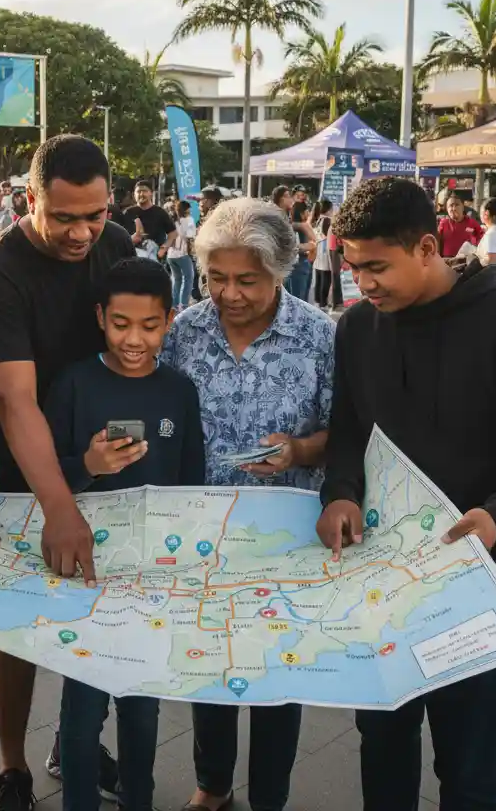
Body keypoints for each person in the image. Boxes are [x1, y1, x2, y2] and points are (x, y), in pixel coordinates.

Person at [317, 176, 496, 811]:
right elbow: (351, 430)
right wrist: (340, 492)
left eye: (378, 266)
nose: (364, 283)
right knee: (381, 744)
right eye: (353, 267)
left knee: (468, 764)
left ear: (427, 246)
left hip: (478, 588)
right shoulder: (357, 329)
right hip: (381, 582)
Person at [0, 135, 134, 811]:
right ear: (30, 199)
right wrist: (59, 505)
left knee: (87, 605)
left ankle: (75, 737)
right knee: (18, 623)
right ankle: (13, 767)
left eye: (95, 214)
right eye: (64, 217)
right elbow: (15, 399)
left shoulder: (113, 245)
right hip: (17, 462)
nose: (82, 232)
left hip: (97, 452)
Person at [162, 198, 334, 811]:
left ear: (281, 271)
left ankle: (270, 795)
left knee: (277, 672)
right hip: (202, 536)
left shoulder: (319, 336)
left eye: (246, 281)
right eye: (216, 278)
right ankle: (212, 784)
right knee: (208, 661)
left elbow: (348, 431)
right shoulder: (183, 333)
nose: (228, 294)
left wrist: (299, 450)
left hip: (284, 538)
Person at [45, 258, 205, 811]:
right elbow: (43, 480)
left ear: (169, 320)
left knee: (143, 707)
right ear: (99, 317)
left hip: (154, 580)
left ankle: (140, 798)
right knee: (83, 708)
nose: (134, 339)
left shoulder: (180, 392)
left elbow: (193, 485)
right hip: (86, 577)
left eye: (150, 326)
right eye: (120, 324)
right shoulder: (73, 383)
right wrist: (87, 464)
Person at [126, 180, 176, 260]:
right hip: (132, 258)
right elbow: (120, 235)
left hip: (155, 257)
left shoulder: (160, 212)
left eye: (145, 191)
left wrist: (163, 249)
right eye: (138, 191)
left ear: (151, 193)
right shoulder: (128, 212)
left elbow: (173, 233)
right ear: (134, 194)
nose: (141, 194)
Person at [166, 199, 197, 311]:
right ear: (187, 209)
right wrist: (190, 252)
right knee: (188, 278)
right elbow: (190, 237)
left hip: (170, 255)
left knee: (177, 279)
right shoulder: (189, 220)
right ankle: (183, 305)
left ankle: (174, 305)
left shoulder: (172, 221)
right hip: (182, 253)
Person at [436, 194, 483, 259]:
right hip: (447, 261)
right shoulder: (443, 223)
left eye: (457, 205)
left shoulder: (472, 223)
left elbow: (481, 240)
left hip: (465, 262)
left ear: (463, 207)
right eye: (451, 206)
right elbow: (437, 242)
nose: (454, 208)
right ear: (447, 209)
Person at [287, 200, 316, 301]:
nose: (309, 213)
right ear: (301, 213)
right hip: (300, 265)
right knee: (299, 299)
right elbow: (313, 242)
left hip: (302, 264)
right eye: (307, 211)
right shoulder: (299, 226)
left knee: (300, 298)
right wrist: (307, 246)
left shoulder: (296, 225)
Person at [312, 199, 334, 308]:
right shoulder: (327, 220)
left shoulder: (318, 220)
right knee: (326, 278)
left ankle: (318, 300)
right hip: (325, 251)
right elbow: (328, 235)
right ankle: (323, 302)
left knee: (319, 277)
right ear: (329, 209)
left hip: (318, 250)